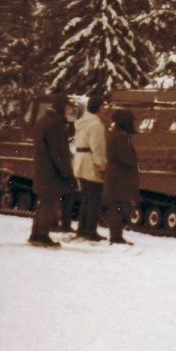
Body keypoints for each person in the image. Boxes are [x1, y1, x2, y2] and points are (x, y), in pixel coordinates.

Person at [29, 94, 76, 248]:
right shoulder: (55, 125)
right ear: (61, 106)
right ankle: (42, 235)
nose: (69, 110)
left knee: (43, 203)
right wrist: (68, 174)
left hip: (43, 168)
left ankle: (36, 234)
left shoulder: (43, 121)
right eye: (68, 107)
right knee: (50, 203)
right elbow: (59, 153)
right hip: (52, 171)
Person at [72, 95, 107, 242]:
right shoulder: (96, 125)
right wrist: (102, 165)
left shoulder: (81, 122)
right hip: (90, 163)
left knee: (86, 198)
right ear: (99, 108)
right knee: (94, 199)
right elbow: (97, 148)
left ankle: (82, 229)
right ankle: (90, 231)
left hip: (79, 161)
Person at [103, 108, 139, 245]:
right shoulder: (121, 136)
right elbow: (125, 156)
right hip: (119, 176)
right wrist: (135, 159)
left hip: (116, 175)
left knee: (117, 206)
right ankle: (116, 237)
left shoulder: (116, 134)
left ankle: (116, 235)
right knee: (118, 207)